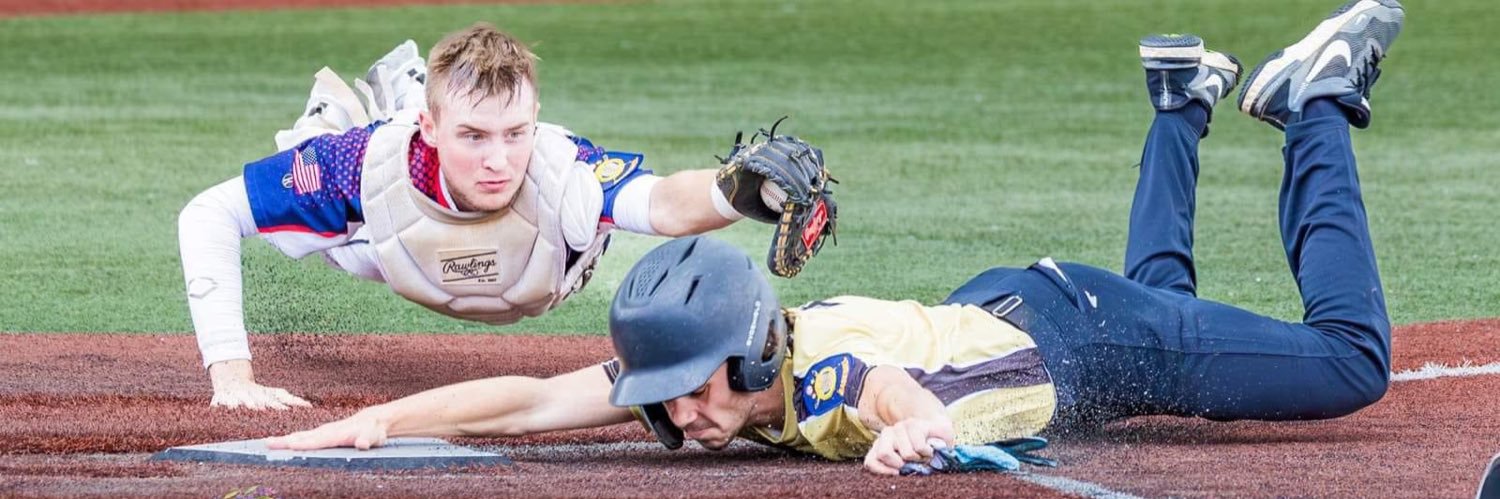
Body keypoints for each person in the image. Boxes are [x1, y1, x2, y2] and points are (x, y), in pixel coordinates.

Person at [267, 0, 1404, 475]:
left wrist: (909, 439)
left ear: (756, 353)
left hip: (1082, 331)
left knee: (1349, 360)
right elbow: (519, 400)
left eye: (690, 392)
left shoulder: (818, 370)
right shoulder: (704, 358)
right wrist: (371, 423)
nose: (679, 414)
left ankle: (1314, 105)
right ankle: (1180, 108)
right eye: (666, 397)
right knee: (1167, 311)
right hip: (1030, 314)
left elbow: (893, 391)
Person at [177, 23, 836, 410]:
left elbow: (661, 202)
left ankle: (397, 92)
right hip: (387, 244)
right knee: (327, 201)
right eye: (473, 136)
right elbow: (207, 213)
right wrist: (233, 377)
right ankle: (354, 111)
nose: (499, 160)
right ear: (430, 128)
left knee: (578, 201)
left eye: (514, 132)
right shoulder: (362, 166)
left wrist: (739, 191)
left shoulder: (560, 169)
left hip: (544, 264)